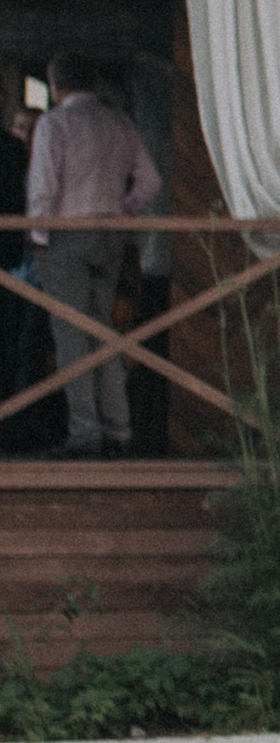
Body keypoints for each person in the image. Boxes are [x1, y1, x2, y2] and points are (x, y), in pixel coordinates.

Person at [26, 56, 161, 457]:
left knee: (71, 338)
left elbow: (43, 188)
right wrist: (124, 209)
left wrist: (37, 235)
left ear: (54, 86)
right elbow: (150, 182)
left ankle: (85, 434)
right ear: (96, 81)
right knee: (102, 333)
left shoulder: (55, 124)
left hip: (68, 235)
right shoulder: (118, 122)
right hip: (111, 237)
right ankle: (118, 430)